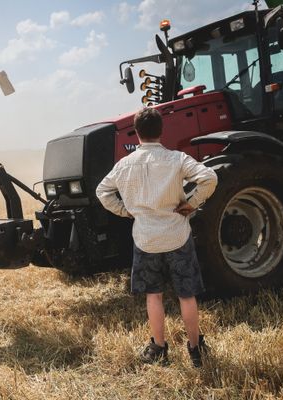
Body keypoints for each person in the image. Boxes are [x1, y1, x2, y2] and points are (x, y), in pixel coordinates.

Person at [95, 107, 217, 367]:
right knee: (186, 295)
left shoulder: (124, 165)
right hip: (177, 236)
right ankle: (196, 349)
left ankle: (159, 348)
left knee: (154, 295)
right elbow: (209, 177)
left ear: (136, 132)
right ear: (162, 131)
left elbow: (102, 191)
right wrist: (192, 203)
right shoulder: (177, 159)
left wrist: (125, 211)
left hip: (145, 239)